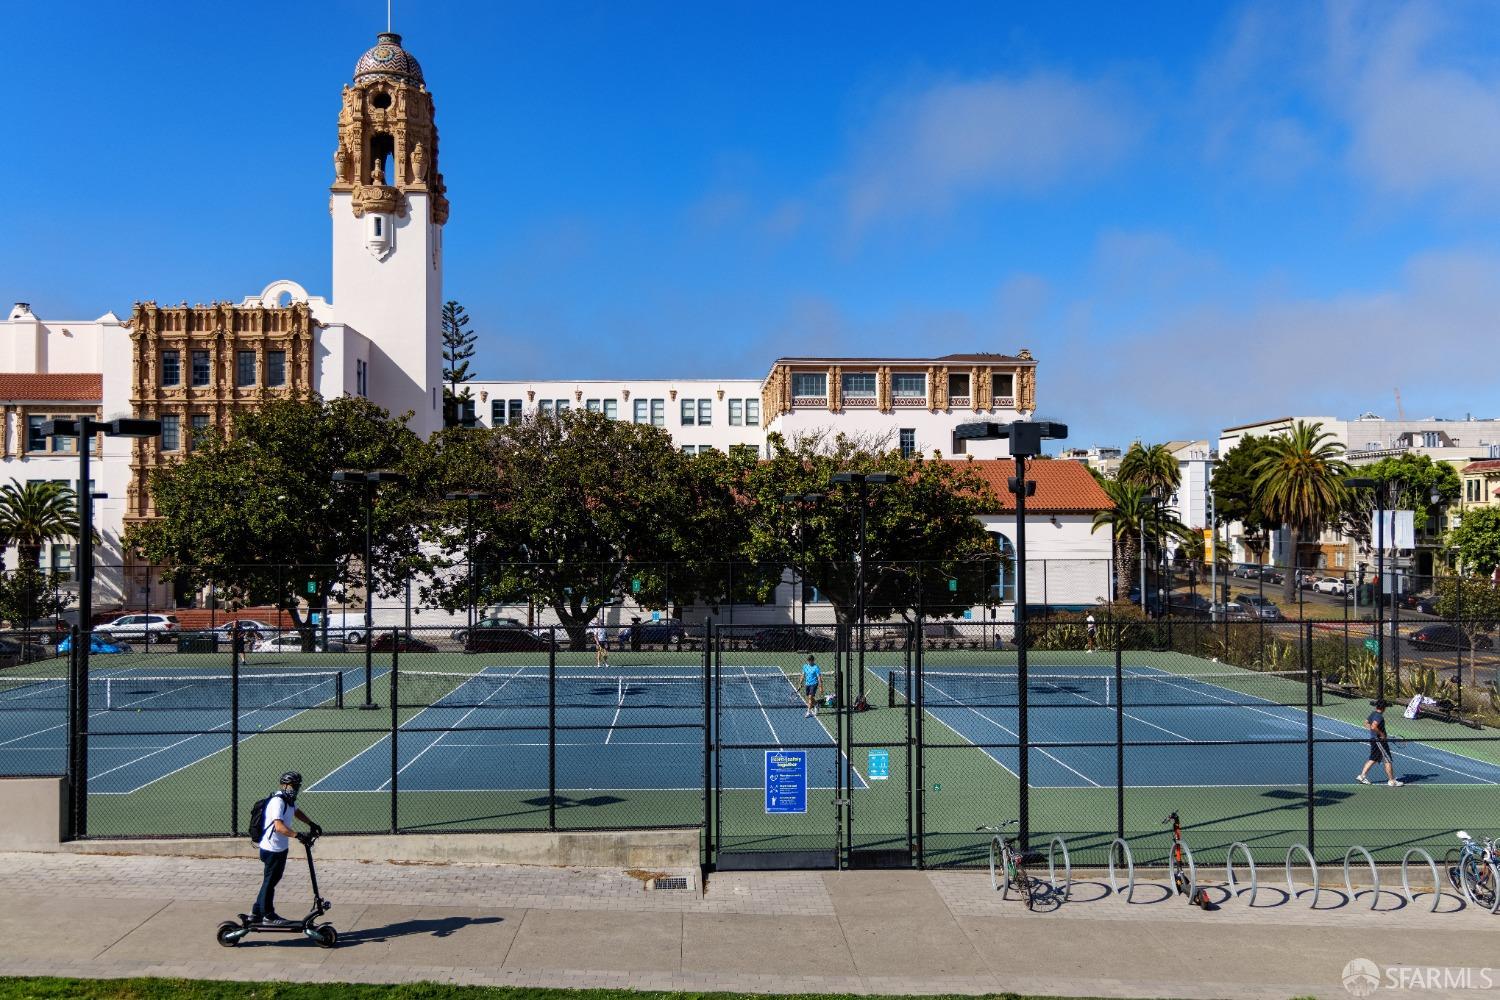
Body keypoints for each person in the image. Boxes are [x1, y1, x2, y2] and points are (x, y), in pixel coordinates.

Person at [252, 771, 321, 924]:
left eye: (297, 786)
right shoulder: (278, 801)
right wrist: (298, 836)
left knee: (270, 881)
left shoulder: (288, 800)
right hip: (272, 849)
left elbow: (296, 812)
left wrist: (311, 823)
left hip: (279, 848)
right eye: (293, 785)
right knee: (270, 882)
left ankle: (256, 912)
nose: (295, 788)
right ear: (284, 785)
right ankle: (267, 915)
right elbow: (279, 827)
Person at [1356, 699, 1404, 787]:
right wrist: (1381, 734)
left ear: (1376, 706)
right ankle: (1391, 781)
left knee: (1373, 759)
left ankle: (1362, 776)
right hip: (1379, 741)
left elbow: (1366, 723)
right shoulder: (1379, 716)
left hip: (1374, 740)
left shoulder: (1373, 714)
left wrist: (1374, 732)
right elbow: (1374, 726)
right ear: (1384, 708)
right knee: (1387, 759)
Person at [800, 654, 821, 718]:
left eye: (811, 660)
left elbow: (819, 677)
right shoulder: (805, 666)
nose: (810, 662)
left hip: (814, 683)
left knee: (810, 697)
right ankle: (816, 704)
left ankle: (808, 712)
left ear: (813, 660)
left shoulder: (816, 667)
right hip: (807, 684)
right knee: (810, 698)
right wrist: (800, 683)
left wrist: (820, 686)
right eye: (809, 660)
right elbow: (803, 675)